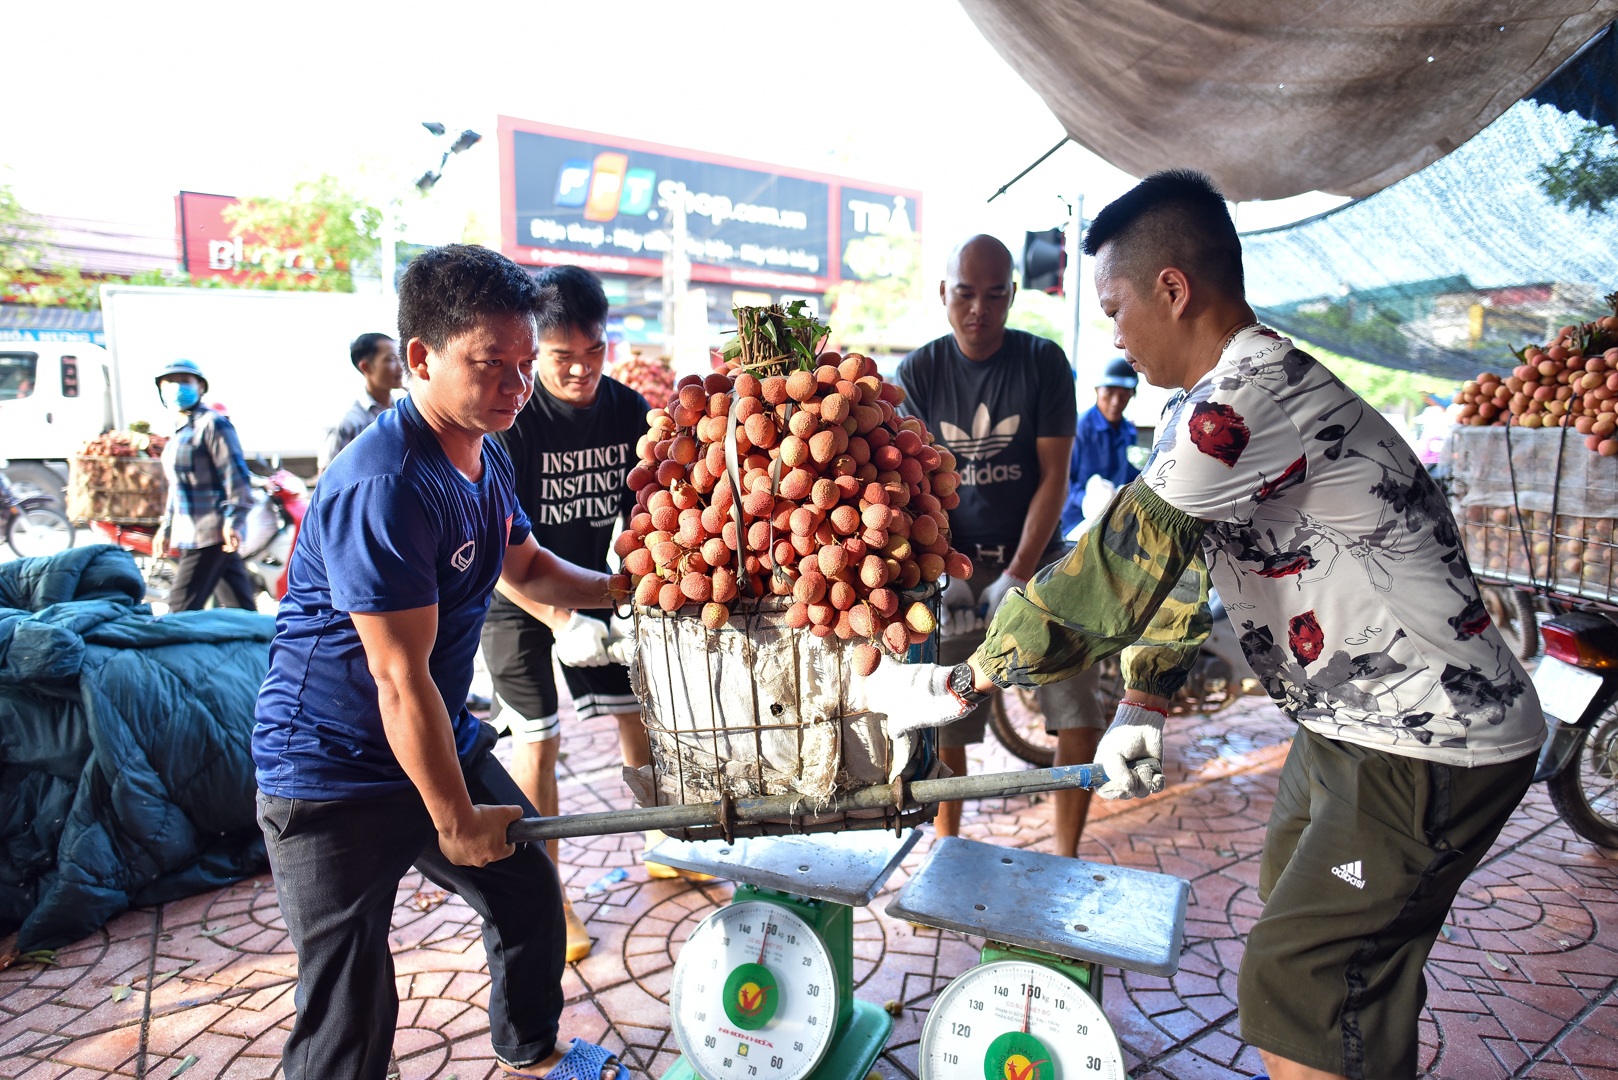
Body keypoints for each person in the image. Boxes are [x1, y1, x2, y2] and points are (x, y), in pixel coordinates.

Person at [860, 171, 1542, 1080]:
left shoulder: (1249, 397)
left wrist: (956, 682)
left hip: (1430, 739)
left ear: (1173, 290)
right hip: (1345, 725)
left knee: (1296, 983)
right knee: (1330, 952)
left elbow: (1116, 563)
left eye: (1115, 306)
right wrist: (1142, 699)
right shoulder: (1203, 407)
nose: (1112, 332)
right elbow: (1181, 562)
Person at [253, 244, 620, 1080]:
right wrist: (452, 819)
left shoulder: (483, 449)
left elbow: (526, 566)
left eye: (527, 367)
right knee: (350, 1005)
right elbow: (397, 677)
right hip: (331, 772)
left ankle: (531, 1051)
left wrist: (633, 588)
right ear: (419, 358)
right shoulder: (383, 487)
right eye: (495, 368)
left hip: (431, 735)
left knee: (528, 896)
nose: (519, 389)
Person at [479, 264, 671, 965]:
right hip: (515, 604)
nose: (581, 372)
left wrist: (624, 595)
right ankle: (551, 898)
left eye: (594, 355)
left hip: (599, 589)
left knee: (638, 718)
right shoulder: (510, 423)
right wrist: (561, 623)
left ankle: (664, 839)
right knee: (538, 742)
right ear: (536, 349)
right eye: (562, 359)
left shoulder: (625, 411)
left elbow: (650, 507)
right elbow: (498, 556)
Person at [895, 234, 1099, 851]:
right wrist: (946, 569)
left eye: (992, 295)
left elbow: (1053, 478)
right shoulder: (920, 371)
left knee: (1077, 709)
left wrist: (1017, 571)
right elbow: (915, 484)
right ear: (944, 295)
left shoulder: (1042, 363)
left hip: (1038, 561)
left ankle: (1066, 854)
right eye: (964, 294)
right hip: (951, 567)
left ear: (1012, 296)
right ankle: (949, 849)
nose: (977, 309)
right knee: (948, 714)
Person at [151, 359, 256, 612]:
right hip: (189, 531)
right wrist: (166, 528)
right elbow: (177, 487)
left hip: (210, 532)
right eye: (171, 382)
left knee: (180, 611)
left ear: (200, 387)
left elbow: (236, 476)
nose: (177, 387)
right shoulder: (179, 430)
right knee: (239, 609)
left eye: (185, 381)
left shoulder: (212, 424)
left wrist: (234, 521)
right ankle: (262, 646)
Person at [1060, 356, 1140, 538]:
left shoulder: (1129, 432)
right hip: (1075, 524)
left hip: (1113, 521)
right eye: (1109, 393)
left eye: (1123, 395)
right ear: (1097, 390)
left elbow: (1130, 477)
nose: (1115, 402)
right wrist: (1088, 501)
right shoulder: (1079, 428)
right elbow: (1062, 481)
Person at [318, 331, 402, 472]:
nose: (400, 367)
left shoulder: (401, 413)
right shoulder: (347, 422)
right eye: (391, 360)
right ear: (365, 367)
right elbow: (327, 479)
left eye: (400, 359)